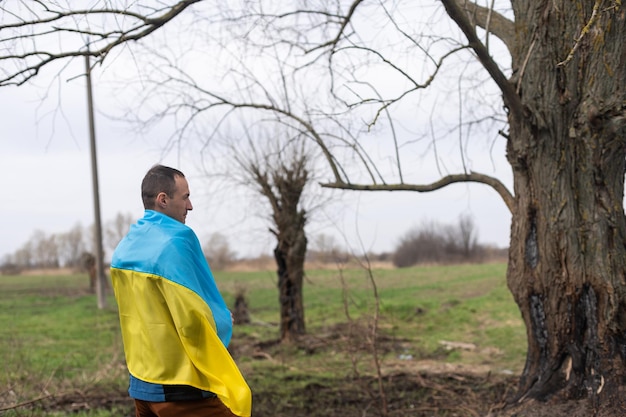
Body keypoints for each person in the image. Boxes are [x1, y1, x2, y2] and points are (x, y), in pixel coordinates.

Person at [110, 164, 252, 417]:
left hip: (143, 386)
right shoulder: (176, 241)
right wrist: (220, 321)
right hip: (181, 388)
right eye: (185, 197)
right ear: (163, 200)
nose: (190, 206)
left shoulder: (124, 248)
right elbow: (192, 317)